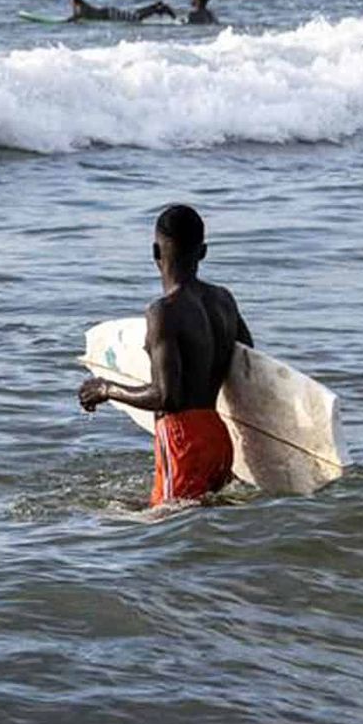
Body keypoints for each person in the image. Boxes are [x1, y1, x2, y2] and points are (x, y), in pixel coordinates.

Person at [78, 205, 252, 507]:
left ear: (156, 252)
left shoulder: (163, 312)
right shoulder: (224, 300)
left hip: (181, 437)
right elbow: (247, 361)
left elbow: (166, 396)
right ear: (203, 252)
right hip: (218, 435)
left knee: (169, 525)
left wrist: (106, 389)